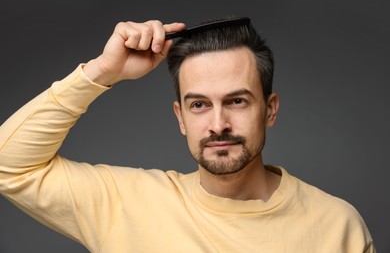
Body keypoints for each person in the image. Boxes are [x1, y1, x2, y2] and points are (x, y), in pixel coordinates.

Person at [0, 17, 375, 252]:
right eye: (199, 105)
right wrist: (100, 73)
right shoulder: (123, 204)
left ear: (270, 109)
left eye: (237, 101)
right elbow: (8, 165)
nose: (218, 124)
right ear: (180, 118)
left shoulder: (336, 225)